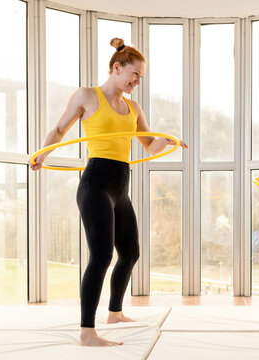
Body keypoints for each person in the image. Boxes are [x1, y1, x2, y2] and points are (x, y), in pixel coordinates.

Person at [30, 37, 187, 347]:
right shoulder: (87, 96)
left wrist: (165, 142)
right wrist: (43, 153)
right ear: (117, 68)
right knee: (101, 254)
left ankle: (115, 312)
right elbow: (60, 130)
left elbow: (147, 144)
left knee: (131, 252)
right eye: (135, 74)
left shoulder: (133, 107)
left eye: (141, 76)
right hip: (95, 183)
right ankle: (87, 331)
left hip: (121, 185)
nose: (138, 81)